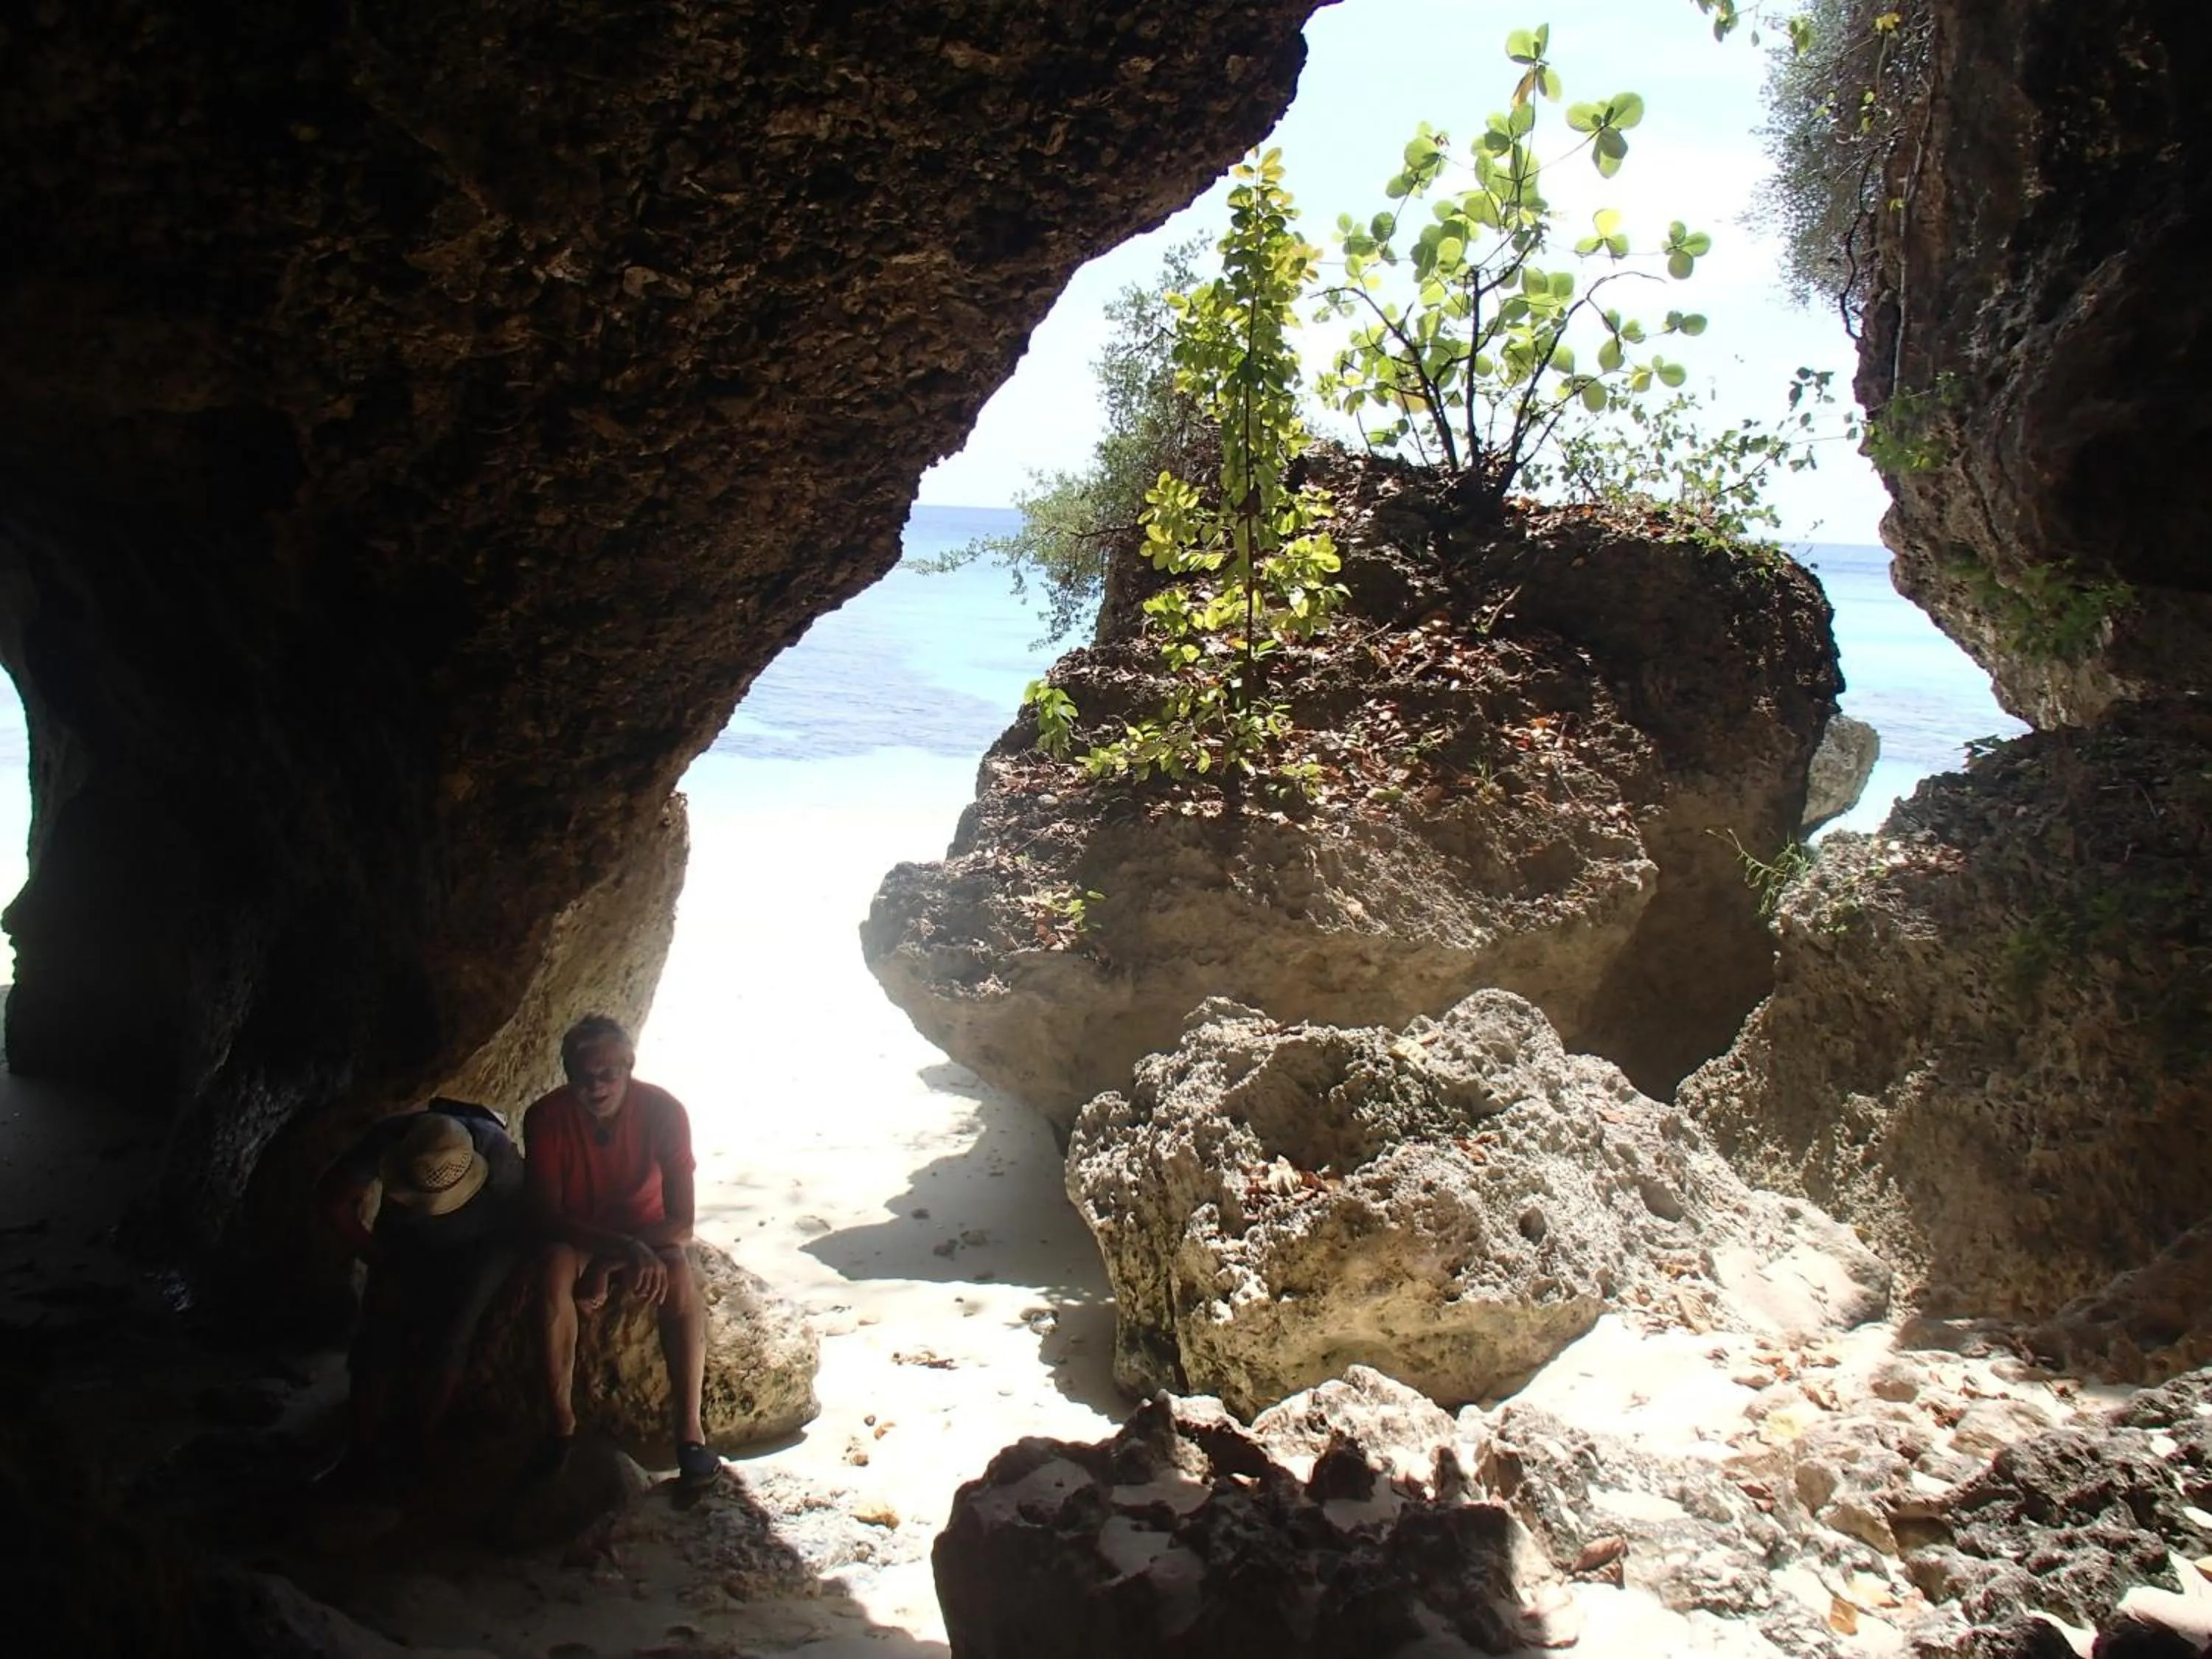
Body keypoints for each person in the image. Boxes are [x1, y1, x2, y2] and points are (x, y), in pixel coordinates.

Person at [523, 1015, 717, 1486]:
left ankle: (690, 1435)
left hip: (647, 1234)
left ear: (630, 1066)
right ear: (568, 1073)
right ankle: (560, 1425)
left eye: (608, 1073)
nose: (596, 1086)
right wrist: (615, 1249)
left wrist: (617, 1258)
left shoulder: (664, 1112)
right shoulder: (546, 1117)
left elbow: (682, 1222)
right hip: (581, 1234)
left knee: (678, 1278)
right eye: (583, 1076)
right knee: (553, 1269)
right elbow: (546, 1217)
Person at [315, 1097, 524, 1483]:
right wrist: (376, 1258)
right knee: (376, 1331)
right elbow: (333, 1199)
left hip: (483, 1242)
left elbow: (525, 1219)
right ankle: (359, 1448)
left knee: (452, 1333)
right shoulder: (391, 1137)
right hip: (406, 1237)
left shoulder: (497, 1152)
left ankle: (417, 1447)